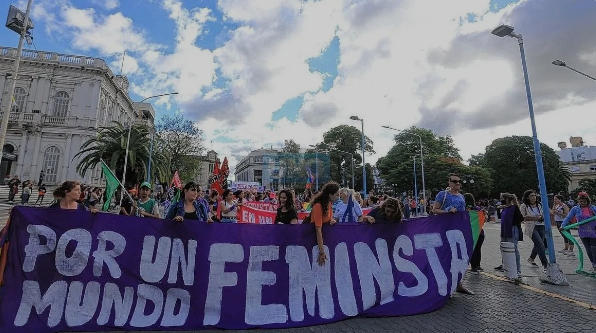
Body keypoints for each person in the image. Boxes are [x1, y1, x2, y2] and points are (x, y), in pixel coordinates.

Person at [431, 173, 474, 295]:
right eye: (455, 181)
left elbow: (462, 211)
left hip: (459, 230)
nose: (458, 183)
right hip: (445, 230)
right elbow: (434, 210)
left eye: (459, 181)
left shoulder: (461, 196)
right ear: (449, 183)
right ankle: (445, 285)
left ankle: (458, 284)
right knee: (446, 257)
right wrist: (447, 211)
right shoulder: (442, 194)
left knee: (460, 256)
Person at [560, 192, 596, 273]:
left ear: (587, 201)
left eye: (584, 201)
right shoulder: (575, 209)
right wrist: (563, 225)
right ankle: (594, 264)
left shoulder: (593, 208)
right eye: (580, 201)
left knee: (594, 249)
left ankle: (595, 264)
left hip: (594, 231)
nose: (582, 203)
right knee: (588, 250)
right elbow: (568, 217)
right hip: (583, 232)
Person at [309, 182, 339, 266]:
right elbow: (318, 230)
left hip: (323, 243)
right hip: (314, 243)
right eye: (337, 195)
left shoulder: (329, 204)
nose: (338, 197)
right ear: (330, 195)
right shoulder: (318, 206)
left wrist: (331, 220)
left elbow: (327, 219)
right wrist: (321, 252)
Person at [494, 193, 524, 279]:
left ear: (507, 199)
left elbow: (520, 218)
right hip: (504, 230)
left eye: (502, 198)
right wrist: (498, 209)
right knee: (504, 248)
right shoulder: (504, 208)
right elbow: (500, 217)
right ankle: (506, 266)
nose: (501, 200)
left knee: (513, 248)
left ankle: (518, 269)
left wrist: (512, 222)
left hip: (512, 229)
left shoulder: (514, 208)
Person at [520, 190, 548, 270]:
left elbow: (547, 212)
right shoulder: (524, 206)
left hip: (542, 225)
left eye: (535, 195)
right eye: (531, 196)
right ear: (527, 197)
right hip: (532, 227)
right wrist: (535, 218)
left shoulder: (540, 205)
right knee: (540, 244)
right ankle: (545, 264)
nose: (534, 197)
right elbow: (522, 217)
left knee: (539, 243)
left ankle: (531, 258)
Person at [464, 193, 486, 274]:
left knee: (472, 250)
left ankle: (473, 267)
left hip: (471, 232)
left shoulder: (465, 209)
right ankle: (478, 265)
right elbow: (484, 219)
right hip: (480, 232)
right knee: (478, 249)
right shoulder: (478, 208)